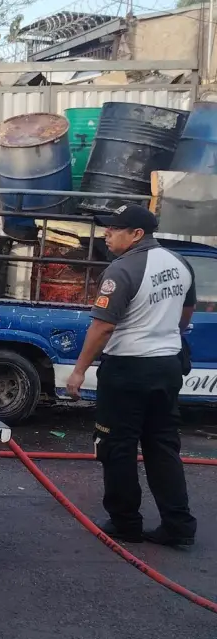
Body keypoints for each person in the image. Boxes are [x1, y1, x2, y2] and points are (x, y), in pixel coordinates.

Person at [66, 204, 197, 547]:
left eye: (114, 229)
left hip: (127, 370)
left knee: (116, 447)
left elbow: (103, 327)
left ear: (137, 234)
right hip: (167, 366)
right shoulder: (180, 263)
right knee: (163, 446)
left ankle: (125, 522)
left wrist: (78, 371)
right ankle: (178, 524)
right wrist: (166, 333)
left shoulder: (122, 269)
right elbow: (187, 311)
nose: (107, 234)